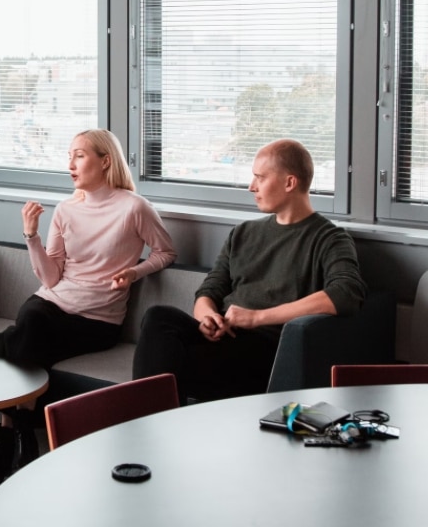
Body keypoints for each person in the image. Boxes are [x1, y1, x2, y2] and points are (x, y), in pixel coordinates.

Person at [0, 129, 177, 489]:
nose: (70, 164)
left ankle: (7, 444)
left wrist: (134, 271)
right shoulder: (66, 209)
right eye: (69, 155)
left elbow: (166, 252)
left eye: (79, 155)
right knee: (30, 322)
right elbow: (50, 279)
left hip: (97, 319)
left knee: (13, 340)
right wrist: (31, 235)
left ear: (105, 161)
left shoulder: (134, 208)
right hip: (53, 303)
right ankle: (21, 440)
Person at [132, 139, 367, 403]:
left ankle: (143, 424)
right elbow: (209, 290)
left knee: (166, 369)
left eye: (260, 178)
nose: (251, 186)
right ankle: (149, 420)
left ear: (290, 183)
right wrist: (207, 317)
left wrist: (256, 318)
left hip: (264, 349)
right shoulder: (243, 233)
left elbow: (346, 293)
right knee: (159, 317)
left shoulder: (329, 238)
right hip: (221, 338)